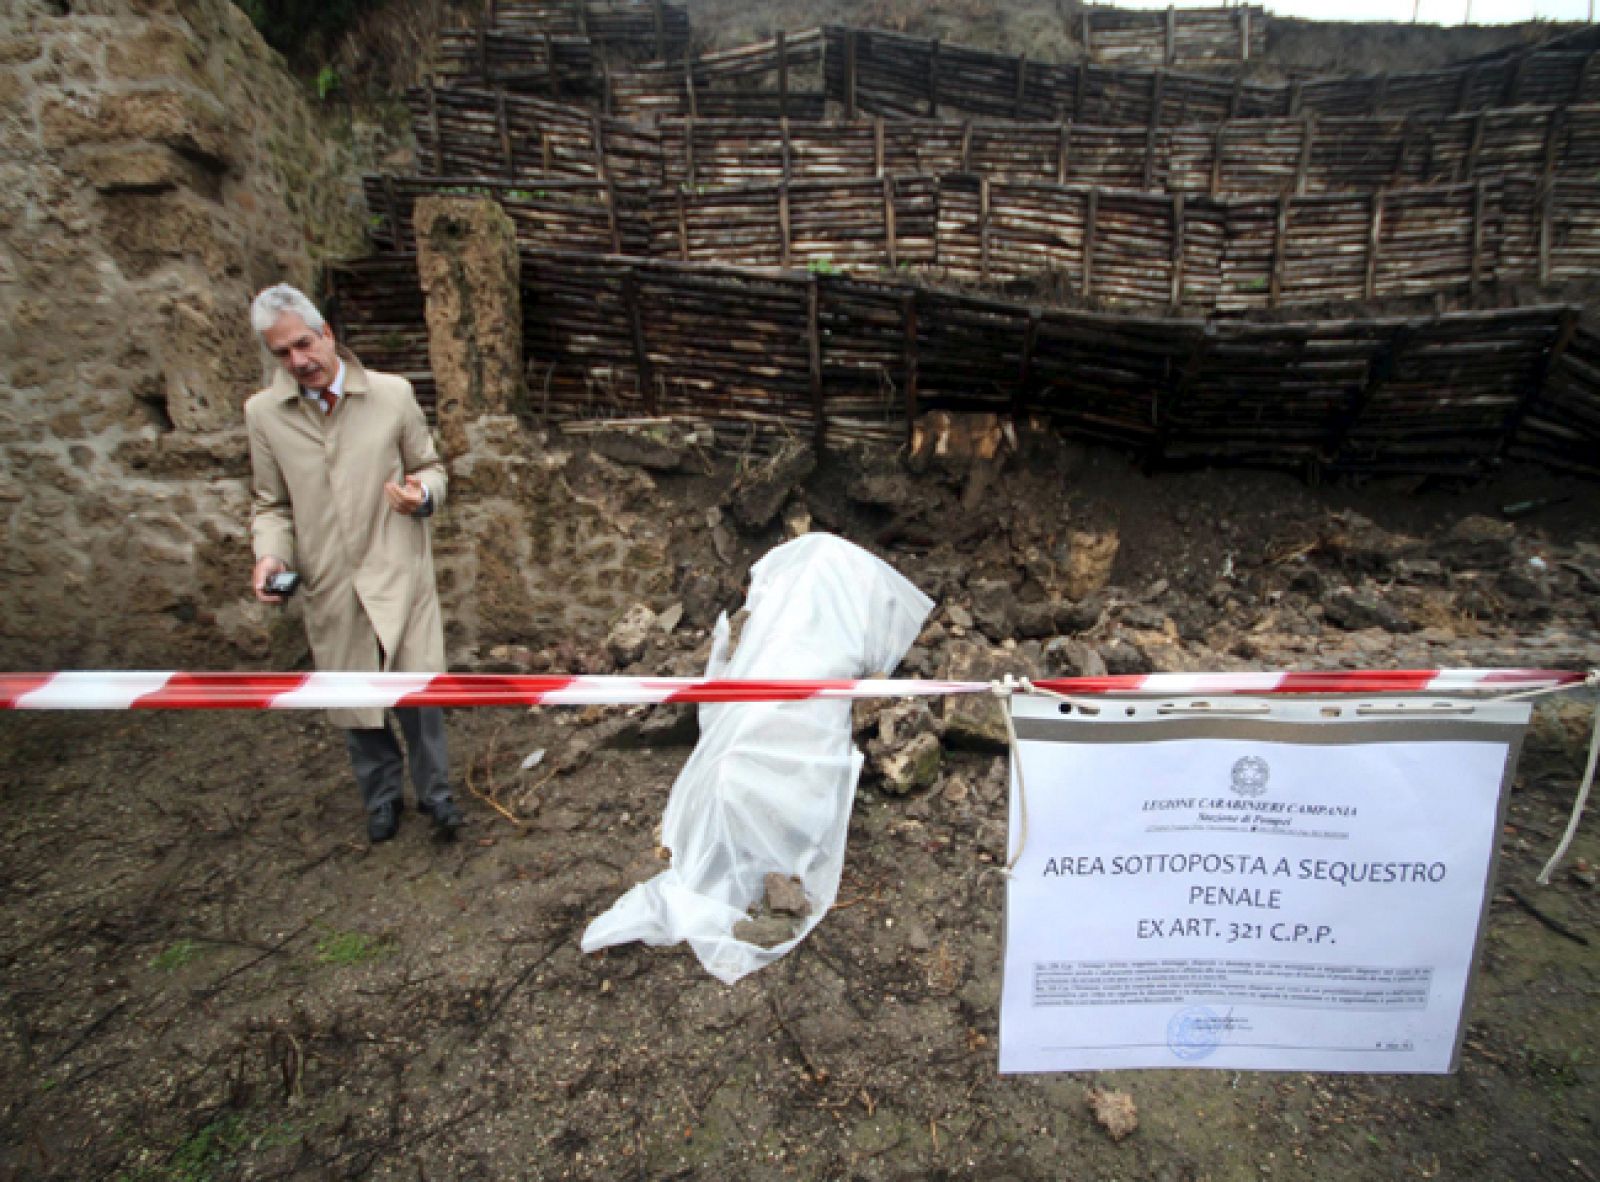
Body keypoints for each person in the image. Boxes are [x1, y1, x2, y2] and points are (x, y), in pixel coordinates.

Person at [244, 283, 463, 843]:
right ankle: (381, 800)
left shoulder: (391, 395)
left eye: (304, 344)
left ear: (328, 334)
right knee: (353, 701)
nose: (298, 361)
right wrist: (271, 555)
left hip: (397, 569)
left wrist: (423, 494)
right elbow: (270, 503)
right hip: (330, 579)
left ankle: (438, 798)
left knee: (419, 694)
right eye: (282, 353)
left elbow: (431, 465)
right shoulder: (264, 414)